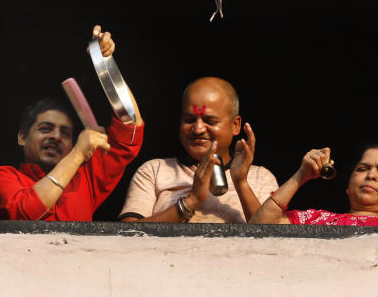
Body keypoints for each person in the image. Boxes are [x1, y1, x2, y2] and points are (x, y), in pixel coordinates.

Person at [0, 26, 144, 221]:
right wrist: (78, 153)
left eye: (65, 133)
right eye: (45, 128)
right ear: (22, 137)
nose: (56, 137)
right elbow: (24, 214)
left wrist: (105, 64)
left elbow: (130, 129)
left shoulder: (85, 181)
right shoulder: (1, 177)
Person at [118, 77, 278, 223]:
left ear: (235, 125)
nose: (198, 129)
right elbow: (127, 234)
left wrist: (241, 183)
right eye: (189, 120)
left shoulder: (260, 177)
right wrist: (192, 200)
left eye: (210, 121)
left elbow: (277, 240)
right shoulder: (154, 171)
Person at [250, 141, 378, 227]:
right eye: (363, 168)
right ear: (348, 186)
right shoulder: (316, 219)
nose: (371, 175)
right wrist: (301, 175)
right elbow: (259, 227)